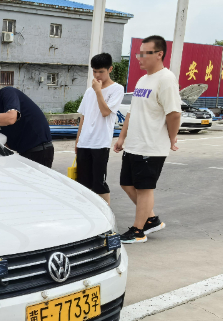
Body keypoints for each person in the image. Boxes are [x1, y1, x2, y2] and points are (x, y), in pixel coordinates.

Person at [113, 35, 182, 244]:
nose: (139, 58)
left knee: (144, 189)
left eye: (145, 54)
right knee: (126, 183)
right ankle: (151, 219)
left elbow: (174, 114)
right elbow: (132, 112)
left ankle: (138, 231)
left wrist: (171, 138)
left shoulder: (166, 79)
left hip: (151, 146)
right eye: (138, 53)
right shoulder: (143, 80)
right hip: (134, 143)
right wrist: (122, 137)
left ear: (159, 54)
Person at [75, 52, 125, 204]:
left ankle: (106, 214)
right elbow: (83, 116)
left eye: (101, 72)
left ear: (110, 69)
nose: (97, 75)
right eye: (94, 71)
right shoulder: (89, 91)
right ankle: (87, 212)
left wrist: (98, 91)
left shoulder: (117, 89)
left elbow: (105, 112)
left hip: (100, 143)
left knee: (99, 182)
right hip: (84, 142)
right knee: (82, 182)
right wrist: (78, 140)